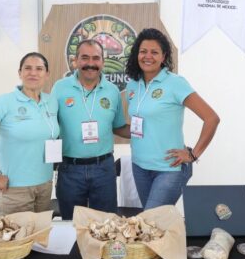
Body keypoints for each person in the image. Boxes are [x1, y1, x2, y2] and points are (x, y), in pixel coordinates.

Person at [123, 28, 220, 209]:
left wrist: (193, 154)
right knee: (155, 224)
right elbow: (140, 126)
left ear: (163, 56)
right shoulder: (133, 85)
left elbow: (211, 118)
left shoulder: (175, 83)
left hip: (169, 169)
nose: (148, 56)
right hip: (139, 166)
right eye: (143, 51)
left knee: (152, 220)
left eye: (154, 52)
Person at [0, 52, 60, 215]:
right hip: (15, 191)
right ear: (19, 73)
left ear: (47, 74)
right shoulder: (4, 103)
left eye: (39, 69)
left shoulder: (51, 102)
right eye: (27, 68)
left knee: (41, 239)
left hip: (44, 186)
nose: (33, 73)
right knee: (15, 240)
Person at [52, 39, 129, 219]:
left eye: (96, 58)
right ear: (75, 60)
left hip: (104, 168)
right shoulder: (60, 88)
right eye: (85, 58)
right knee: (71, 226)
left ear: (102, 61)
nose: (90, 64)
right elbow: (50, 127)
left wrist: (148, 130)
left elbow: (118, 127)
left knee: (106, 225)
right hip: (70, 169)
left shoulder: (112, 91)